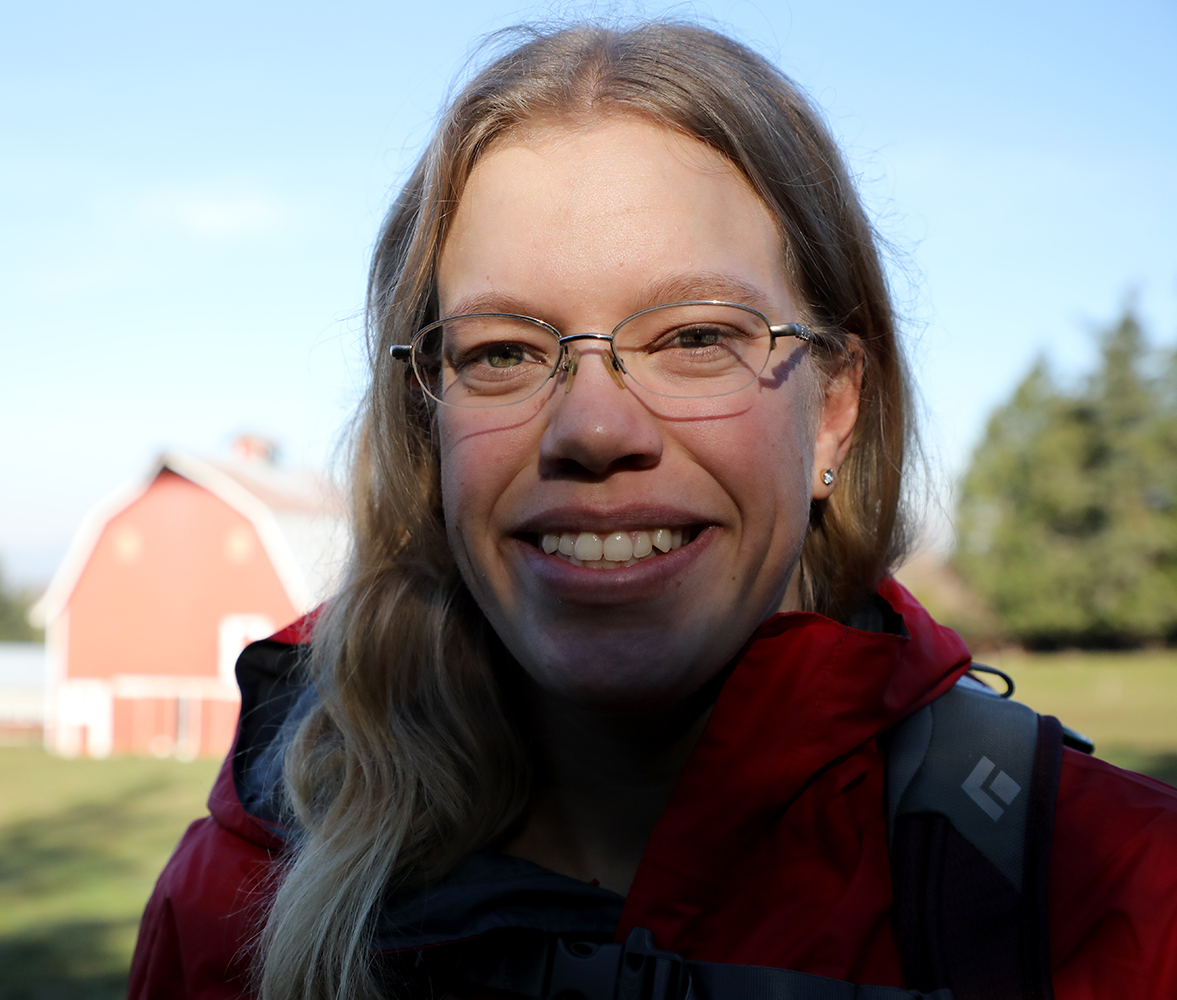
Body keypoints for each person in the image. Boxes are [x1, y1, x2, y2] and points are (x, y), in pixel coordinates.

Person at [128, 21, 1177, 1000]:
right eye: (503, 351)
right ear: (426, 428)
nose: (591, 427)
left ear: (834, 410)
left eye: (693, 338)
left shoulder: (1119, 900)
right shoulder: (234, 901)